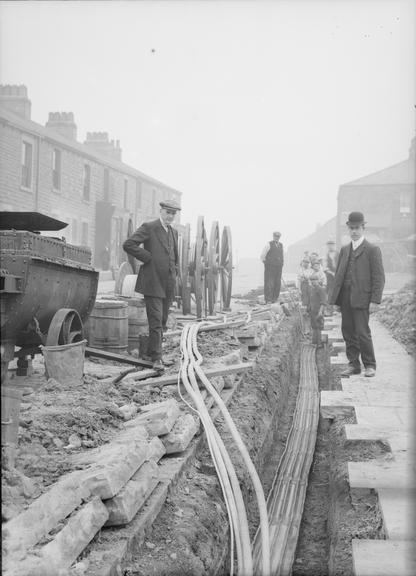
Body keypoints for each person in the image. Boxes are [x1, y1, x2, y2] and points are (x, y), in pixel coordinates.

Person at [123, 199, 181, 371]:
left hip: (168, 284)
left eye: (173, 213)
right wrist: (147, 258)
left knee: (162, 321)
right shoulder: (150, 227)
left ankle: (149, 352)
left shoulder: (173, 232)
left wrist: (175, 274)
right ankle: (157, 359)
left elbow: (174, 258)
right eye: (168, 212)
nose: (170, 216)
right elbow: (129, 244)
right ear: (161, 211)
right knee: (155, 321)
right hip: (153, 282)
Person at [329, 211, 385, 377]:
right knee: (347, 331)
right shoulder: (345, 250)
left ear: (363, 228)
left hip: (362, 298)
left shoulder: (372, 249)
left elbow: (379, 277)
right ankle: (354, 364)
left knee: (362, 332)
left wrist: (375, 300)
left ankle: (370, 365)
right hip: (346, 297)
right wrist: (336, 300)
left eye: (357, 228)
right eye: (351, 228)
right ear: (348, 228)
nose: (354, 231)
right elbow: (339, 275)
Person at [260, 231, 284, 304]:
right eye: (275, 236)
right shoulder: (268, 244)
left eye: (278, 237)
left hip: (278, 267)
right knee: (269, 283)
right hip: (270, 267)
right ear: (273, 236)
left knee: (277, 283)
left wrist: (281, 263)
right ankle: (268, 299)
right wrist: (267, 263)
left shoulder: (281, 245)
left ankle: (275, 298)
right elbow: (262, 256)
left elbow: (282, 255)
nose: (277, 238)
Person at [309, 271, 327, 346]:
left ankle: (319, 343)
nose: (313, 282)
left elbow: (323, 302)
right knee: (314, 326)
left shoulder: (321, 289)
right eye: (312, 281)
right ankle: (314, 342)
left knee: (319, 326)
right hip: (312, 311)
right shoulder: (312, 289)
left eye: (314, 280)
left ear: (318, 280)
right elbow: (311, 300)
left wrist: (320, 312)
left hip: (318, 311)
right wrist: (308, 309)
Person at [324, 239, 339, 315]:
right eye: (329, 245)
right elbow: (325, 267)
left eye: (332, 245)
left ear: (334, 245)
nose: (330, 246)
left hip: (338, 275)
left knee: (338, 291)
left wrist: (337, 273)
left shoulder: (338, 254)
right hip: (329, 276)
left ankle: (337, 309)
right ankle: (330, 310)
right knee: (330, 293)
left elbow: (342, 264)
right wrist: (331, 272)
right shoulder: (326, 255)